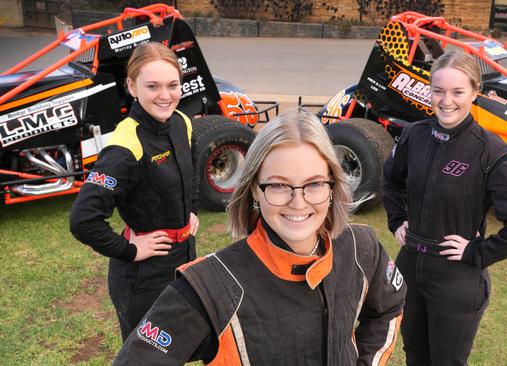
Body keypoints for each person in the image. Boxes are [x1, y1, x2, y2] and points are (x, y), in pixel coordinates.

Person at [113, 111, 406, 365]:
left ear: (333, 186)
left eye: (314, 184)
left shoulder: (362, 249)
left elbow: (389, 306)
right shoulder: (208, 286)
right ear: (254, 188)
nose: (299, 202)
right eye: (279, 185)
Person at [383, 50, 507, 366]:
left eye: (457, 92)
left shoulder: (491, 151)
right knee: (415, 355)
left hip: (456, 278)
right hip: (410, 267)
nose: (446, 101)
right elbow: (391, 180)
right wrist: (397, 218)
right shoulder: (414, 136)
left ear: (474, 91)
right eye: (438, 90)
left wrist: (476, 253)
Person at [69, 42, 200, 341]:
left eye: (172, 85)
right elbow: (83, 220)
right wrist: (131, 250)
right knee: (145, 356)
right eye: (152, 86)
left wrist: (191, 210)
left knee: (176, 347)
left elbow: (190, 168)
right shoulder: (125, 147)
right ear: (132, 86)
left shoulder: (181, 123)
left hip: (183, 259)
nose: (165, 96)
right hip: (143, 277)